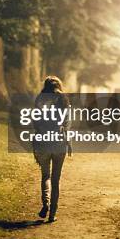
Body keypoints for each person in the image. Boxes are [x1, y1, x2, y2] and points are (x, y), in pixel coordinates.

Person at [32, 76, 71, 223]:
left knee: (45, 176)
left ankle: (46, 204)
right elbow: (67, 123)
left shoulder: (40, 99)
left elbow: (35, 121)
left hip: (43, 141)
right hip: (59, 142)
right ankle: (52, 214)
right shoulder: (64, 99)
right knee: (56, 179)